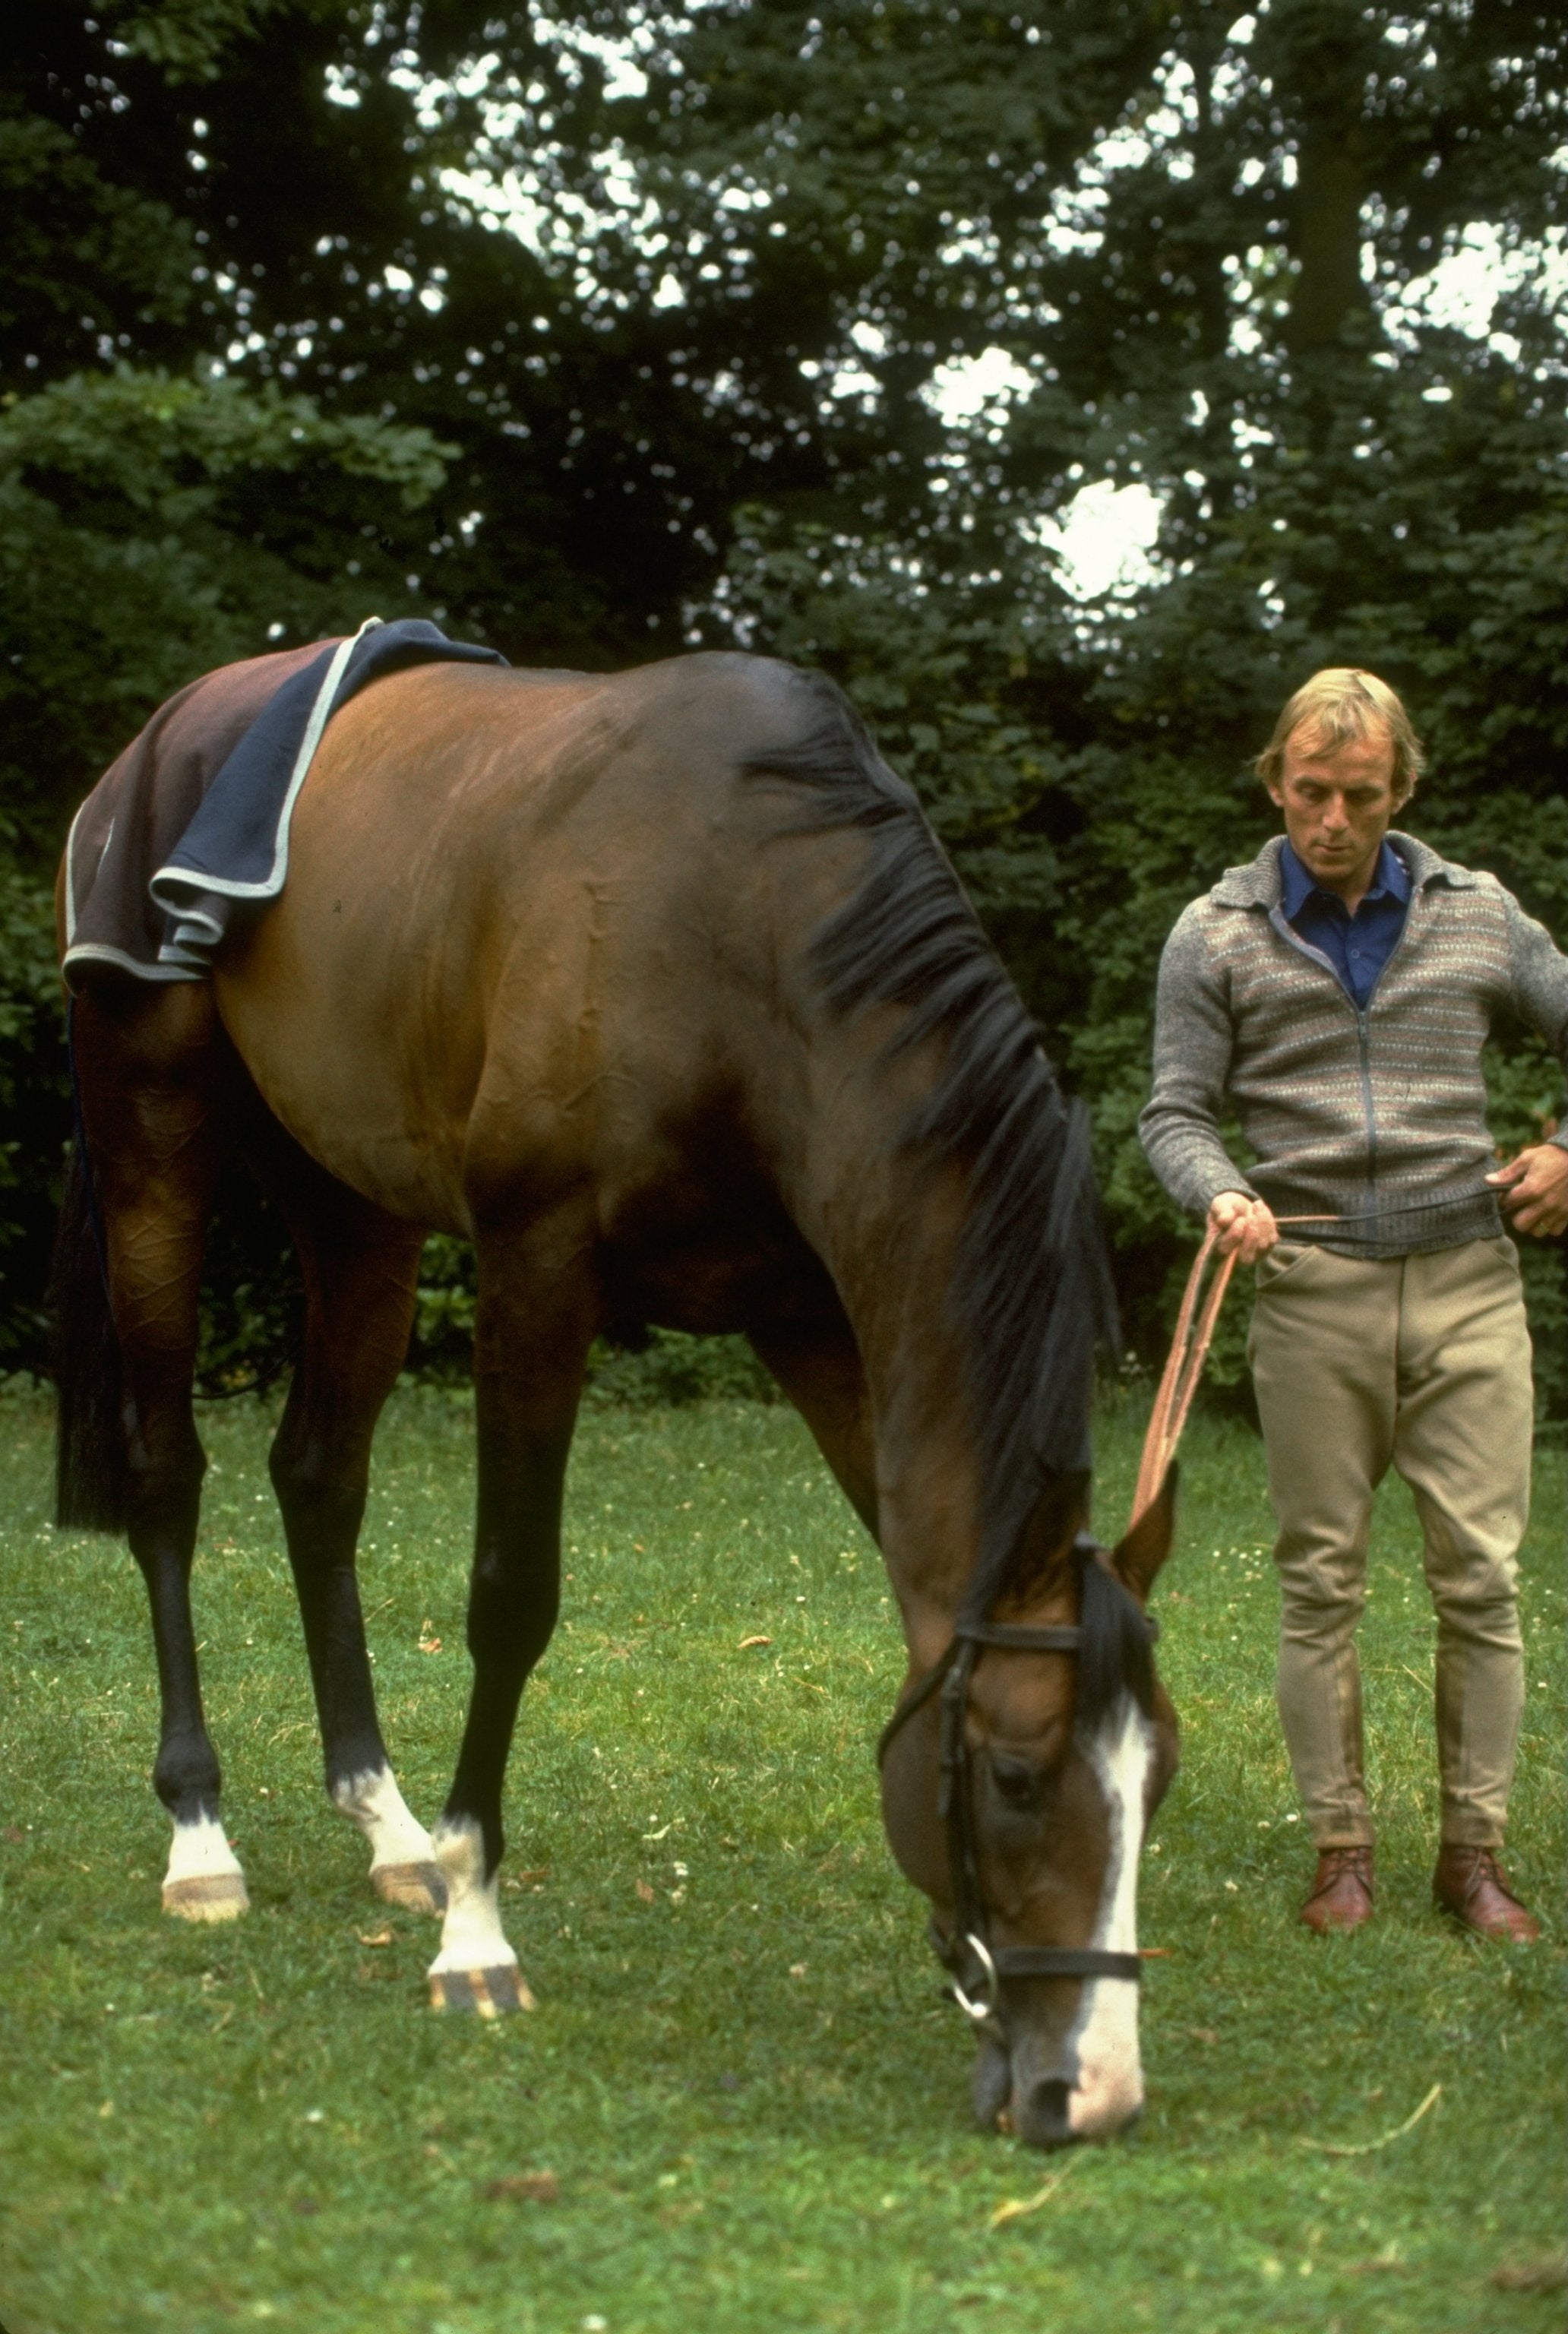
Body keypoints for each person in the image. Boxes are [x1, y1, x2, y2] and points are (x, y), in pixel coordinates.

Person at [1139, 669, 1567, 1940]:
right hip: (1309, 1286)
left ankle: (1474, 1858)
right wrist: (1220, 1193)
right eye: (1311, 793)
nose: (1333, 819)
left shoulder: (1480, 916)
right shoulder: (1213, 932)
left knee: (1480, 1580)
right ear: (1276, 783)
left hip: (1467, 1285)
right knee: (1320, 1584)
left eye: (1361, 797)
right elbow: (1173, 1110)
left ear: (1403, 791)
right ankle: (1342, 1853)